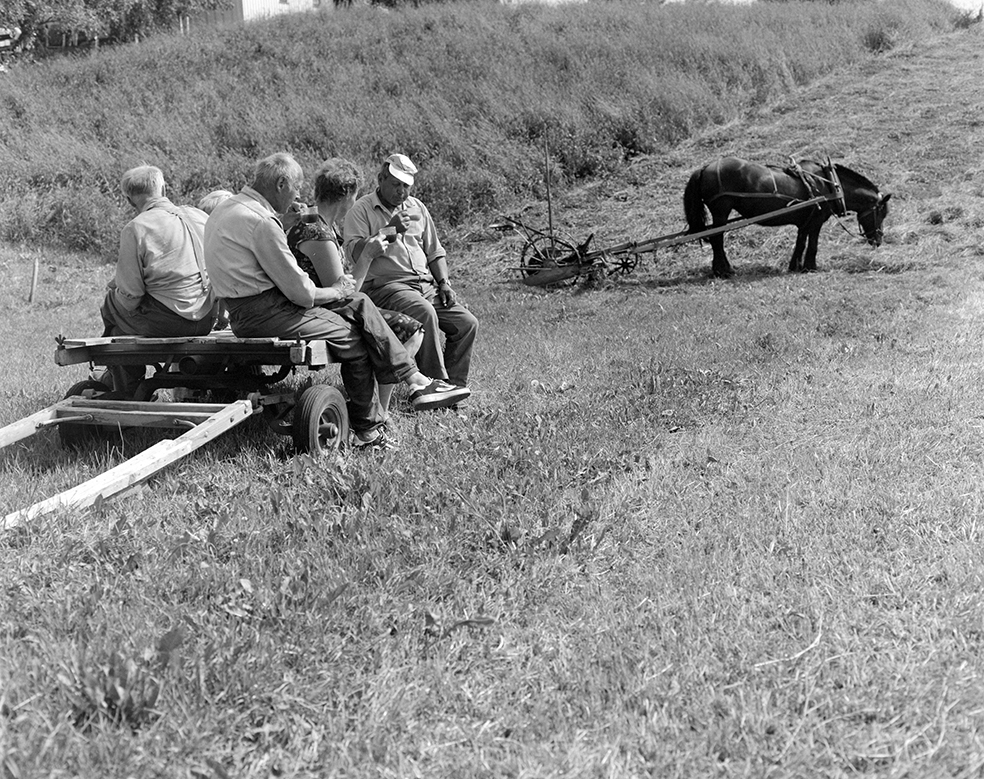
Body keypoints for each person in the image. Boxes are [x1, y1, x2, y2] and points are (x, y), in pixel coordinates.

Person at [203, 152, 468, 449]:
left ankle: (414, 381)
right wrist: (338, 291)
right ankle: (369, 429)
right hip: (267, 313)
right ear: (280, 183)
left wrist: (340, 290)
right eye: (295, 188)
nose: (297, 196)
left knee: (359, 306)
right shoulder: (263, 222)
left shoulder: (226, 209)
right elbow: (301, 294)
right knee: (356, 337)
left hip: (243, 311)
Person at [282, 157, 425, 420]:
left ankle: (382, 409)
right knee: (409, 330)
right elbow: (346, 294)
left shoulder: (317, 224)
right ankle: (380, 410)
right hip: (324, 309)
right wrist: (367, 257)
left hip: (324, 304)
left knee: (408, 329)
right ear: (347, 195)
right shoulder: (318, 233)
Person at [343, 153, 478, 389]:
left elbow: (435, 252)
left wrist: (444, 283)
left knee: (467, 323)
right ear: (381, 178)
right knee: (425, 312)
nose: (401, 192)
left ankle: (456, 386)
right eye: (395, 184)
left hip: (425, 285)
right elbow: (355, 254)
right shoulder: (361, 210)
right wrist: (389, 230)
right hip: (386, 286)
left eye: (406, 186)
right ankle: (433, 386)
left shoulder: (417, 208)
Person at [100, 165, 220, 393]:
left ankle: (126, 386)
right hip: (206, 318)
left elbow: (131, 296)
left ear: (128, 200)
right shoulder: (200, 216)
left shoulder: (136, 228)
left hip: (168, 322)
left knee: (111, 305)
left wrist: (117, 292)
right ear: (164, 188)